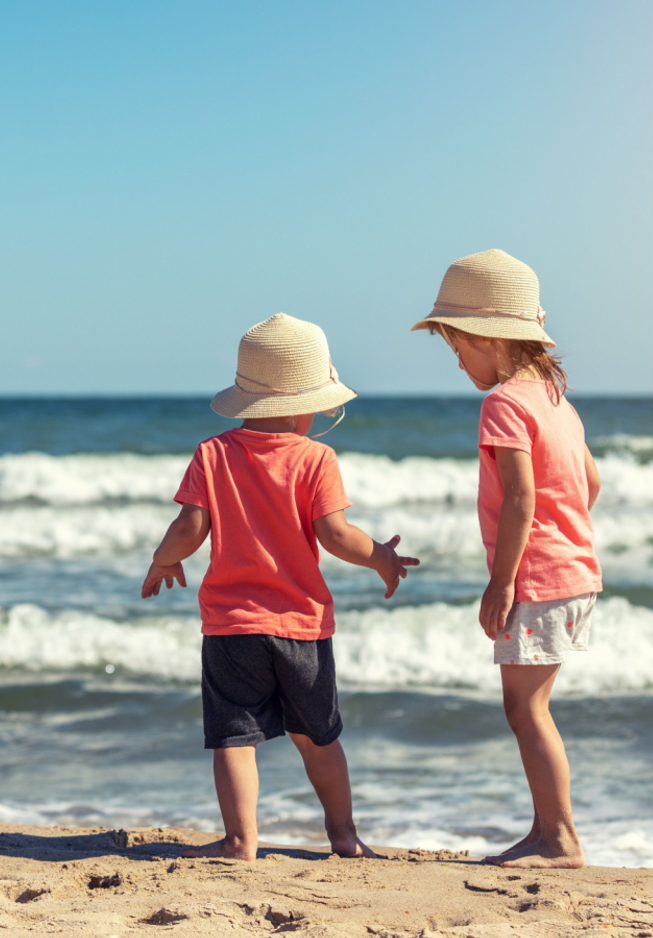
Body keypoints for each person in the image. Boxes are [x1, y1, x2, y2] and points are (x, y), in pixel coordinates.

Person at [142, 313, 419, 862]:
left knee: (233, 739)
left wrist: (162, 560)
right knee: (319, 738)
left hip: (232, 627)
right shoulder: (317, 458)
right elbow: (336, 535)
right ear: (303, 404)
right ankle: (343, 836)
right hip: (302, 628)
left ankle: (240, 841)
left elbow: (189, 528)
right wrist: (382, 560)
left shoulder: (213, 454)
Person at [411, 249, 602, 869]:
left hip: (537, 578)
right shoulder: (555, 401)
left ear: (487, 338)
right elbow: (589, 482)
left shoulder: (503, 405)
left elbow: (521, 498)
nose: (458, 361)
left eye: (456, 347)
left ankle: (560, 839)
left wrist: (501, 583)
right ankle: (546, 827)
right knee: (529, 705)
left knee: (526, 708)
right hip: (573, 571)